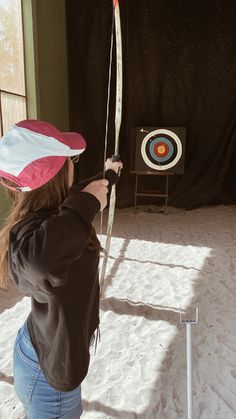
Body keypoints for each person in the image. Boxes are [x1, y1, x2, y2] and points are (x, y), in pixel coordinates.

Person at [0, 119, 123, 419]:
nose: (74, 165)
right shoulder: (32, 235)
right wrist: (86, 204)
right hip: (47, 374)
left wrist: (107, 175)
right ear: (54, 174)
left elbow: (78, 200)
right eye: (70, 160)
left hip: (41, 346)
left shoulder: (54, 209)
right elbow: (38, 263)